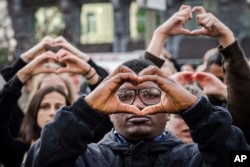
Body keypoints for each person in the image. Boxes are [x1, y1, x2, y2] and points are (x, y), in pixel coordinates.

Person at [22, 6, 249, 167]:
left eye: (151, 95)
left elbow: (240, 159)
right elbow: (38, 161)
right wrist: (85, 111)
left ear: (169, 110)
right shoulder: (86, 158)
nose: (139, 106)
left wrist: (198, 111)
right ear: (107, 110)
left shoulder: (195, 158)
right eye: (125, 96)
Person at [0, 85, 71, 167]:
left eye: (59, 107)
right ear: (34, 112)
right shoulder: (19, 151)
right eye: (45, 107)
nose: (52, 112)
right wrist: (17, 82)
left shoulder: (79, 149)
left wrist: (89, 76)